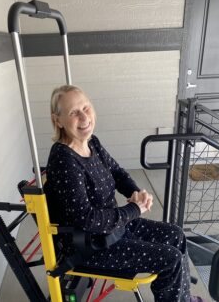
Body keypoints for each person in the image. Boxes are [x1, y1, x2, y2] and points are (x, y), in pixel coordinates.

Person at [44, 85, 204, 302]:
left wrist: (136, 192)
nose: (84, 116)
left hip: (114, 229)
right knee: (171, 259)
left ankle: (183, 299)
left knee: (175, 234)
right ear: (58, 120)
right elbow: (86, 219)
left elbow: (117, 173)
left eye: (86, 107)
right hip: (92, 245)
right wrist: (133, 209)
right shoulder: (64, 160)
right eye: (73, 112)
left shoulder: (92, 143)